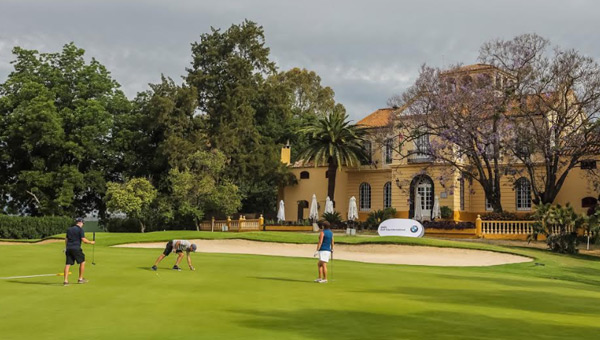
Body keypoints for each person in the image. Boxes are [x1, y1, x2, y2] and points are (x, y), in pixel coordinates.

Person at [63, 217, 95, 286]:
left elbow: (66, 239)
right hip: (76, 248)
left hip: (69, 248)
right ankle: (80, 279)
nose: (83, 224)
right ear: (80, 223)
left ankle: (65, 281)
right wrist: (91, 242)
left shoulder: (69, 229)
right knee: (82, 262)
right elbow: (83, 240)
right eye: (83, 223)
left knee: (68, 264)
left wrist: (66, 247)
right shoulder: (80, 230)